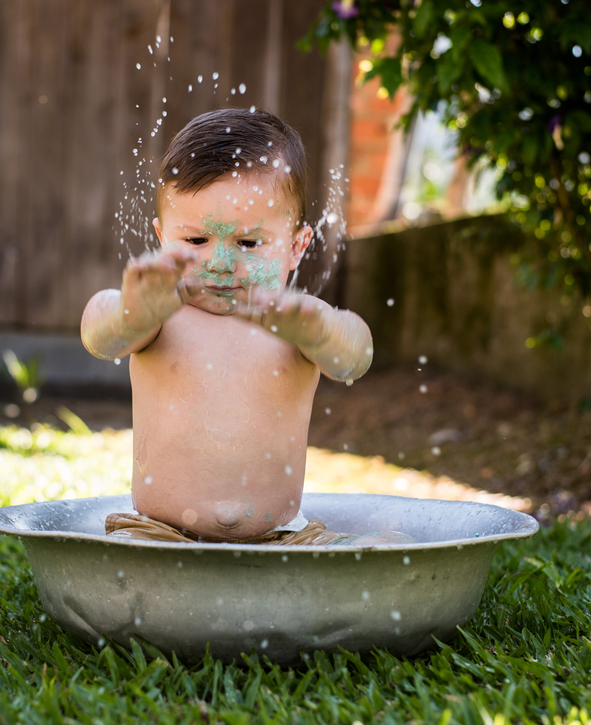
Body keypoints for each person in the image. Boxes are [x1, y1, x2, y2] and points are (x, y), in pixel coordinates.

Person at [81, 108, 409, 545]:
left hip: (281, 536)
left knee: (387, 547)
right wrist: (131, 312)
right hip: (161, 533)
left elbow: (356, 359)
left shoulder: (299, 321)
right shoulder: (158, 316)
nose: (220, 263)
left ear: (296, 247)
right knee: (126, 557)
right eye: (196, 240)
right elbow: (99, 337)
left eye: (248, 243)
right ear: (162, 239)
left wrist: (322, 333)